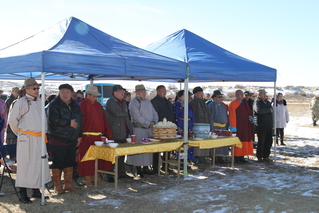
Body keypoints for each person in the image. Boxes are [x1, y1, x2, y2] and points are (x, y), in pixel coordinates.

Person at [8, 78, 51, 203]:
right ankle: (22, 193)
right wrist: (22, 134)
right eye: (34, 88)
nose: (37, 90)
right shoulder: (21, 102)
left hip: (39, 138)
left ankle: (35, 190)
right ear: (26, 89)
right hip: (27, 138)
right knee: (25, 165)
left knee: (38, 163)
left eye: (38, 88)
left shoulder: (39, 102)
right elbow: (12, 121)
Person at [47, 84, 82, 194]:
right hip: (58, 138)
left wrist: (79, 135)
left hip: (72, 138)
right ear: (59, 93)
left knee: (70, 161)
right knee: (58, 162)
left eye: (67, 92)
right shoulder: (54, 105)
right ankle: (57, 186)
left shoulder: (75, 105)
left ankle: (68, 184)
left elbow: (80, 121)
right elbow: (53, 120)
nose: (65, 94)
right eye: (62, 92)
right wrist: (68, 123)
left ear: (72, 93)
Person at [78, 86, 113, 186]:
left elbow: (104, 120)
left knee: (98, 158)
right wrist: (79, 136)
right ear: (87, 95)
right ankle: (88, 179)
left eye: (96, 97)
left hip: (99, 137)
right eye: (93, 96)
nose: (95, 98)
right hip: (87, 136)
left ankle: (96, 176)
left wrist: (108, 133)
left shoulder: (98, 105)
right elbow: (79, 123)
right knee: (87, 159)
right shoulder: (82, 105)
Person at [126, 84, 158, 177]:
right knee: (139, 150)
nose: (144, 93)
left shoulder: (148, 101)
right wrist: (148, 123)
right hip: (139, 129)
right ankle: (138, 169)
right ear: (137, 93)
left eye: (144, 91)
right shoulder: (134, 103)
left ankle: (146, 168)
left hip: (148, 129)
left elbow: (154, 112)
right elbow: (137, 116)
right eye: (141, 92)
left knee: (147, 150)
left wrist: (154, 121)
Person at [106, 85, 133, 179]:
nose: (123, 93)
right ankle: (109, 175)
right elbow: (117, 113)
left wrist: (130, 130)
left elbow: (126, 118)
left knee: (121, 155)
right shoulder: (111, 102)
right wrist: (127, 112)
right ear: (114, 92)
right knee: (112, 155)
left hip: (123, 131)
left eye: (123, 91)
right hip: (114, 132)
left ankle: (121, 174)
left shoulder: (124, 103)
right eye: (120, 91)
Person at [151, 85, 174, 173]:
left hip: (168, 128)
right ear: (157, 91)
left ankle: (166, 165)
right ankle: (156, 167)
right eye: (162, 91)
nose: (164, 92)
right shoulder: (154, 101)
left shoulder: (166, 101)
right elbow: (155, 115)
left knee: (167, 148)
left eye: (165, 91)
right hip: (159, 129)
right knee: (157, 148)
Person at [228, 90, 254, 163]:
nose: (241, 95)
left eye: (242, 94)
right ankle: (237, 157)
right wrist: (233, 127)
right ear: (236, 95)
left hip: (245, 125)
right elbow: (232, 116)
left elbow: (249, 112)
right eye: (239, 94)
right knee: (238, 141)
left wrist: (250, 117)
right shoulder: (233, 104)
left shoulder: (245, 103)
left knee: (244, 140)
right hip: (238, 126)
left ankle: (242, 156)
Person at [189, 86, 210, 162]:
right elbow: (193, 115)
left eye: (202, 93)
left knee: (204, 142)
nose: (202, 94)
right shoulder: (192, 103)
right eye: (200, 93)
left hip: (205, 125)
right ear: (196, 94)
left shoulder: (204, 102)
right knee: (197, 142)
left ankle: (203, 157)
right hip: (197, 126)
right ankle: (197, 158)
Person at [207, 90, 229, 162]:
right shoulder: (211, 105)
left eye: (221, 97)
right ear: (214, 98)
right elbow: (210, 118)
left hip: (223, 127)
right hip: (216, 127)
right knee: (216, 144)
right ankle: (215, 158)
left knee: (223, 143)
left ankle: (222, 157)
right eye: (219, 97)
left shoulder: (223, 105)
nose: (220, 98)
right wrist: (212, 128)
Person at [253, 89, 274, 163]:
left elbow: (272, 110)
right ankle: (259, 156)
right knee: (261, 141)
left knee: (268, 141)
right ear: (259, 95)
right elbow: (259, 111)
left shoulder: (268, 102)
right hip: (261, 125)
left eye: (265, 94)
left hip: (269, 124)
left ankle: (266, 156)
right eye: (263, 94)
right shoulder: (257, 102)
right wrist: (268, 110)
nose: (265, 95)